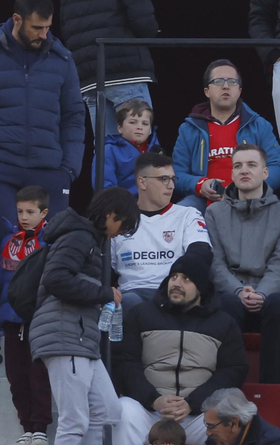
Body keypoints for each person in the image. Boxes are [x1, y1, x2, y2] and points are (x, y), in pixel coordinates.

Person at [31, 187, 140, 445]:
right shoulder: (79, 236)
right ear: (110, 215)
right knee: (74, 419)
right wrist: (104, 292)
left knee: (109, 410)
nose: (120, 233)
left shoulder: (87, 238)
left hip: (80, 336)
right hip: (65, 334)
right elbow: (56, 279)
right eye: (122, 225)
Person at [0, 0, 86, 241]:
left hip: (50, 169)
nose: (44, 34)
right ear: (17, 19)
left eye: (48, 27)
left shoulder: (63, 60)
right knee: (2, 245)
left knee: (52, 249)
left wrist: (69, 169)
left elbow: (74, 117)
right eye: (37, 28)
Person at [112, 250, 245, 445]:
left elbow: (233, 370)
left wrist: (193, 403)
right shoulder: (141, 314)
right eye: (173, 277)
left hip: (199, 414)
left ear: (201, 287)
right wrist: (154, 400)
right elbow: (124, 363)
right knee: (122, 412)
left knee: (236, 420)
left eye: (186, 279)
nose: (177, 283)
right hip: (151, 411)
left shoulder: (224, 323)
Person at [0, 186, 53, 445]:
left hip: (38, 319)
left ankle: (40, 429)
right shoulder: (9, 240)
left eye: (30, 212)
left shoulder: (50, 241)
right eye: (20, 211)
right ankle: (26, 429)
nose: (24, 217)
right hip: (10, 319)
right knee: (16, 378)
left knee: (39, 377)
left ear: (44, 213)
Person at [59, 0, 159, 133]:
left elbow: (66, 26)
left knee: (105, 148)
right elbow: (143, 21)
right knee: (138, 144)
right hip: (127, 71)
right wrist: (153, 33)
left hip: (90, 76)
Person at [208, 143, 280, 382]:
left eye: (251, 165)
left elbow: (278, 263)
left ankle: (272, 387)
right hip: (232, 294)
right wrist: (239, 291)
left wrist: (262, 293)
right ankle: (229, 386)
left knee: (278, 304)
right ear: (231, 173)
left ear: (265, 172)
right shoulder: (215, 212)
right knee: (225, 303)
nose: (244, 170)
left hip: (270, 294)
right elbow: (215, 263)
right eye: (238, 165)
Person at [174, 60, 280, 208]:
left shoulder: (259, 125)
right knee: (182, 211)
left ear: (239, 90)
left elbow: (276, 165)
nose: (225, 86)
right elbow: (176, 174)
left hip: (251, 199)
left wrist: (253, 188)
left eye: (232, 81)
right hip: (205, 200)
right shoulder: (189, 129)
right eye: (218, 81)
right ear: (207, 91)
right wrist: (200, 184)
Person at [113, 152, 211, 310]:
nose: (171, 186)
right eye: (163, 179)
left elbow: (201, 254)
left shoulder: (188, 214)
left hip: (175, 292)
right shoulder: (120, 219)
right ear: (142, 182)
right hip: (133, 294)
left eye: (173, 179)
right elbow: (103, 267)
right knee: (130, 302)